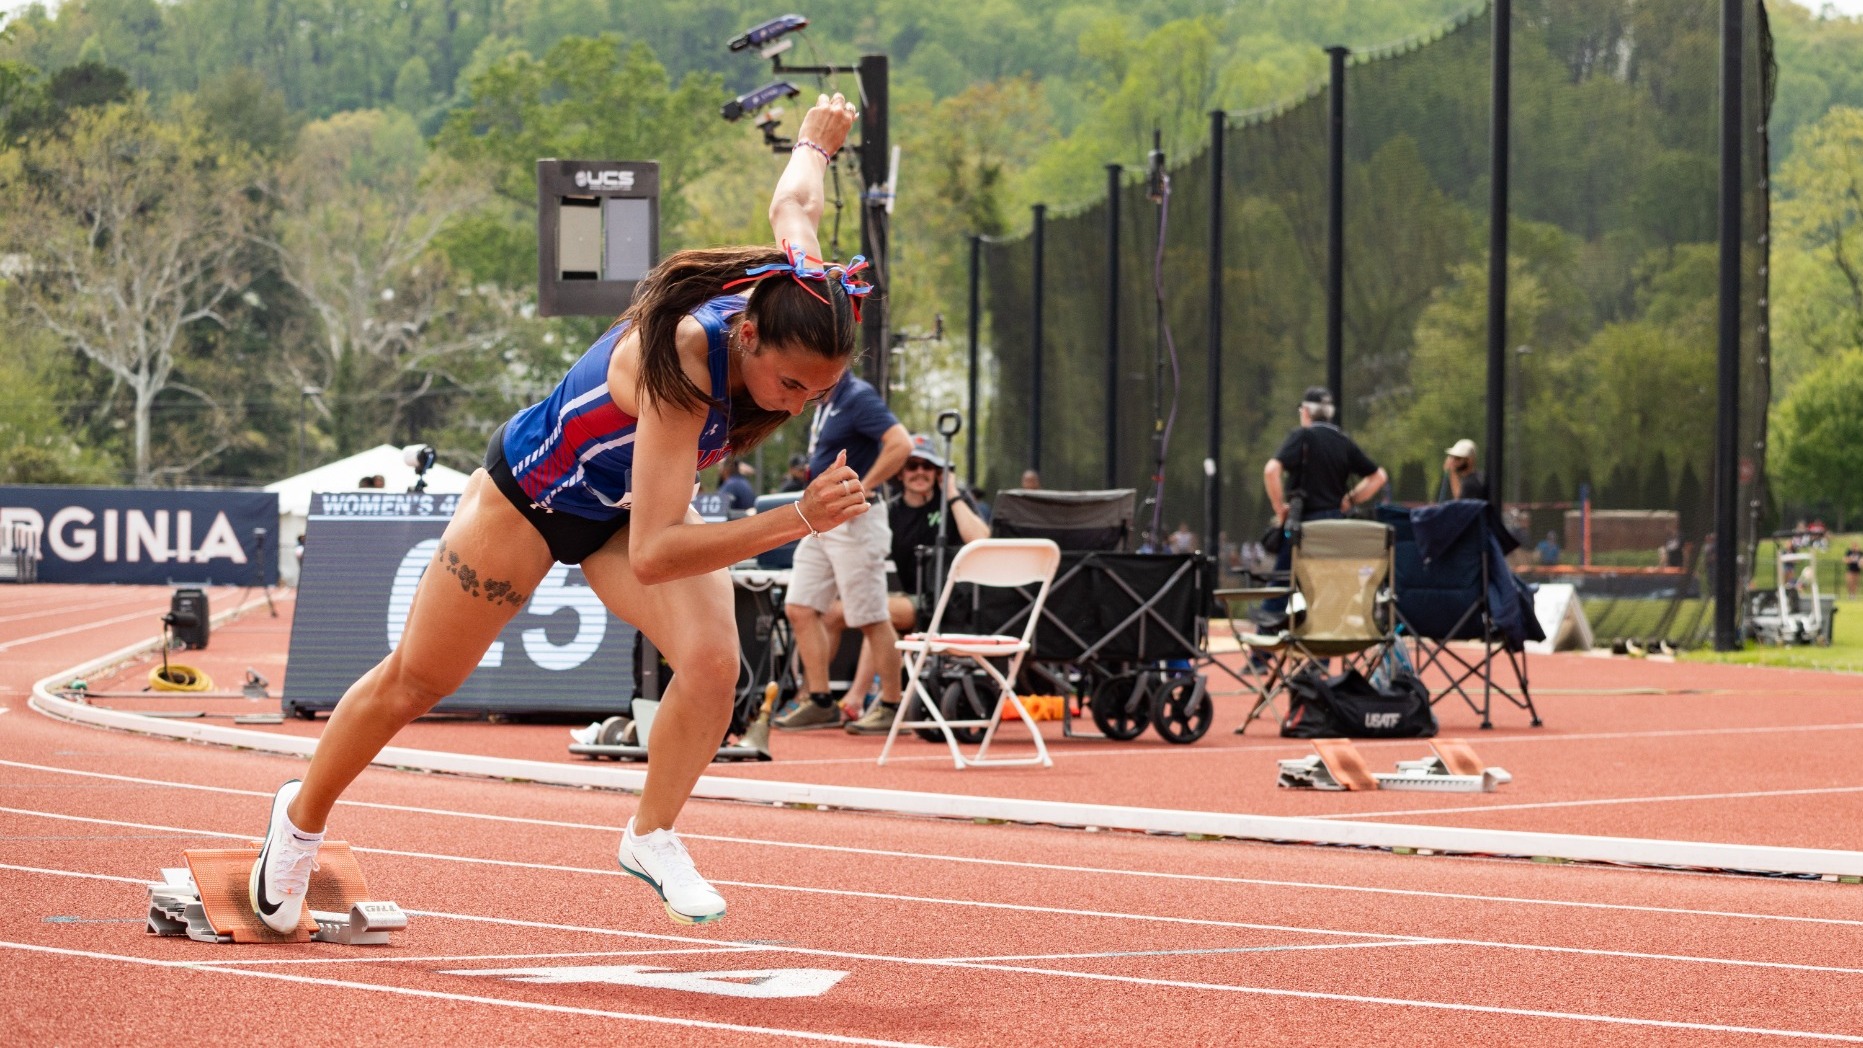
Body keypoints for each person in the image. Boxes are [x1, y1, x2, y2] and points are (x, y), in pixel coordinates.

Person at [246, 93, 868, 932]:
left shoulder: (804, 294)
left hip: (620, 514)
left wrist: (815, 144)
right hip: (533, 503)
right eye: (789, 386)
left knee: (714, 664)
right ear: (748, 338)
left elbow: (794, 203)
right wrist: (797, 516)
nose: (795, 406)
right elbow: (656, 552)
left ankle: (650, 835)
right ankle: (297, 824)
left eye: (818, 393)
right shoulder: (686, 361)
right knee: (417, 681)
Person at [776, 356, 913, 732]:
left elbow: (900, 444)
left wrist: (863, 485)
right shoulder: (827, 401)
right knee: (800, 607)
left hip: (856, 521)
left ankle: (890, 704)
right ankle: (820, 700)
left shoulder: (857, 396)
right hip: (823, 519)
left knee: (869, 615)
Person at [821, 433, 992, 730]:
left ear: (938, 472)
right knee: (832, 613)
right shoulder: (891, 511)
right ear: (900, 472)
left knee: (875, 611)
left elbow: (981, 541)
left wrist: (951, 492)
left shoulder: (951, 503)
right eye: (912, 466)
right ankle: (815, 697)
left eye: (928, 466)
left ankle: (857, 700)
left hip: (948, 600)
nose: (919, 473)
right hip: (909, 597)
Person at [1261, 387, 1386, 614]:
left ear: (1306, 412)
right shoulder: (1343, 440)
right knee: (1329, 586)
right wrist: (1349, 500)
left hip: (1304, 526)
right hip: (1335, 527)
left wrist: (1280, 508)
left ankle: (1264, 646)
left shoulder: (1303, 436)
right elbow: (1379, 477)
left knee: (1281, 585)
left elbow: (1271, 471)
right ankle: (1326, 637)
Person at [1438, 438, 1488, 503]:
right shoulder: (1475, 478)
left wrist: (1452, 471)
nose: (1453, 461)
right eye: (1452, 457)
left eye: (1457, 458)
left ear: (1470, 460)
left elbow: (1460, 500)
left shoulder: (1472, 482)